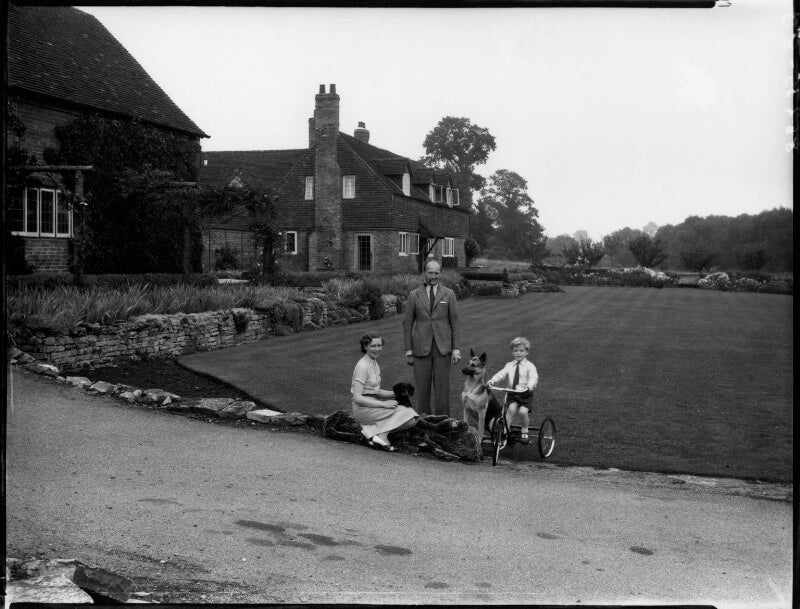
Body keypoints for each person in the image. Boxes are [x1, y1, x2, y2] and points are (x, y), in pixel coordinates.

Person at [403, 259, 461, 416]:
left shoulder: (449, 294)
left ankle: (443, 424)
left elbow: (455, 323)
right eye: (430, 272)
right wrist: (408, 350)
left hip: (443, 348)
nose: (433, 276)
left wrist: (456, 348)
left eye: (436, 272)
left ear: (440, 273)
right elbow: (407, 324)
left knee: (442, 390)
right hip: (420, 349)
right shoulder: (414, 295)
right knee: (422, 391)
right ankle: (424, 424)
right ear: (424, 273)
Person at [351, 331, 419, 452]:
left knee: (410, 416)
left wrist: (399, 392)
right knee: (408, 415)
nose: (377, 349)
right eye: (373, 346)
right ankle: (382, 436)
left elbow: (375, 392)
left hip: (372, 405)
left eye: (379, 345)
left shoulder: (374, 363)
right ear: (365, 346)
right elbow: (358, 398)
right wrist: (384, 404)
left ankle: (371, 433)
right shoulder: (362, 366)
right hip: (362, 409)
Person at [488, 336, 539, 444]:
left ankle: (525, 430)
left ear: (526, 352)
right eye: (515, 351)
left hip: (525, 393)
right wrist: (492, 381)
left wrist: (529, 385)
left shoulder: (530, 366)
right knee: (510, 410)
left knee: (522, 412)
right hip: (512, 393)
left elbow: (534, 377)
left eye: (521, 351)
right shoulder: (509, 365)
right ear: (512, 352)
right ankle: (505, 429)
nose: (518, 353)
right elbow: (501, 374)